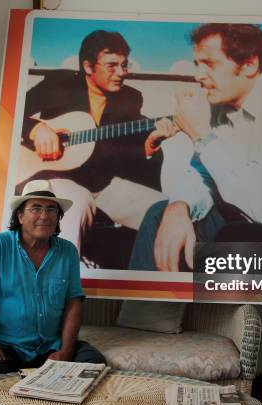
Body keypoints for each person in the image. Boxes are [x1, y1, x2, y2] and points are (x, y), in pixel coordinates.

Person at [131, 23, 262, 272]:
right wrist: (179, 206)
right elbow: (200, 172)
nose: (199, 76)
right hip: (236, 218)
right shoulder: (223, 107)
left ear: (249, 64)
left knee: (238, 238)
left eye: (210, 64)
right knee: (160, 213)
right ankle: (153, 303)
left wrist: (201, 135)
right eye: (197, 65)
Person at [0, 180, 105, 385]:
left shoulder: (67, 251)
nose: (44, 216)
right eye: (36, 208)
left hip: (50, 346)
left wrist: (65, 352)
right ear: (20, 216)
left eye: (52, 210)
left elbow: (73, 303)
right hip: (3, 347)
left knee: (92, 364)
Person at [18, 30, 165, 253]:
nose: (121, 73)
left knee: (165, 210)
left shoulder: (130, 98)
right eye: (112, 65)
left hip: (101, 185)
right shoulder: (61, 83)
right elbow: (11, 111)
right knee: (76, 202)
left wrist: (150, 146)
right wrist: (37, 129)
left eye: (124, 65)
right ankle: (61, 279)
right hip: (56, 177)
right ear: (88, 67)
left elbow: (129, 151)